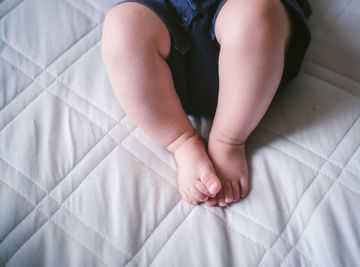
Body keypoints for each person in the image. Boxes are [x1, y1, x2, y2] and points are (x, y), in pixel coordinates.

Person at [101, 0, 311, 207]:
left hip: (253, 52)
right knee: (122, 28)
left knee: (257, 11)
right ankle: (181, 140)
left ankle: (228, 140)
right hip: (165, 25)